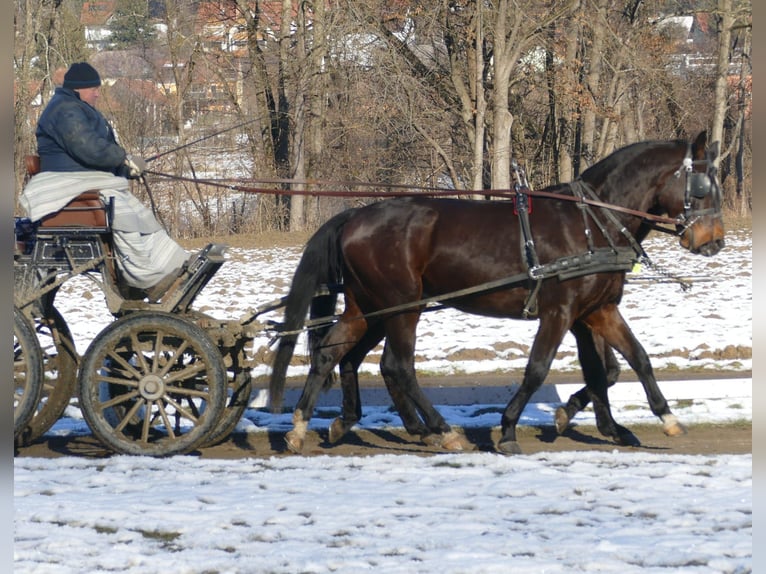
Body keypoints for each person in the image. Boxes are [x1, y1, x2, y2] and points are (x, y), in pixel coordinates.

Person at [20, 62, 190, 302]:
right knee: (124, 212)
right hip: (69, 183)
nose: (98, 93)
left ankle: (164, 266)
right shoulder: (66, 110)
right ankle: (145, 276)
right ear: (78, 88)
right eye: (93, 89)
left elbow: (94, 151)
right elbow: (88, 148)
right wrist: (123, 158)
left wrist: (124, 167)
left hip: (83, 180)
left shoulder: (75, 106)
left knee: (135, 211)